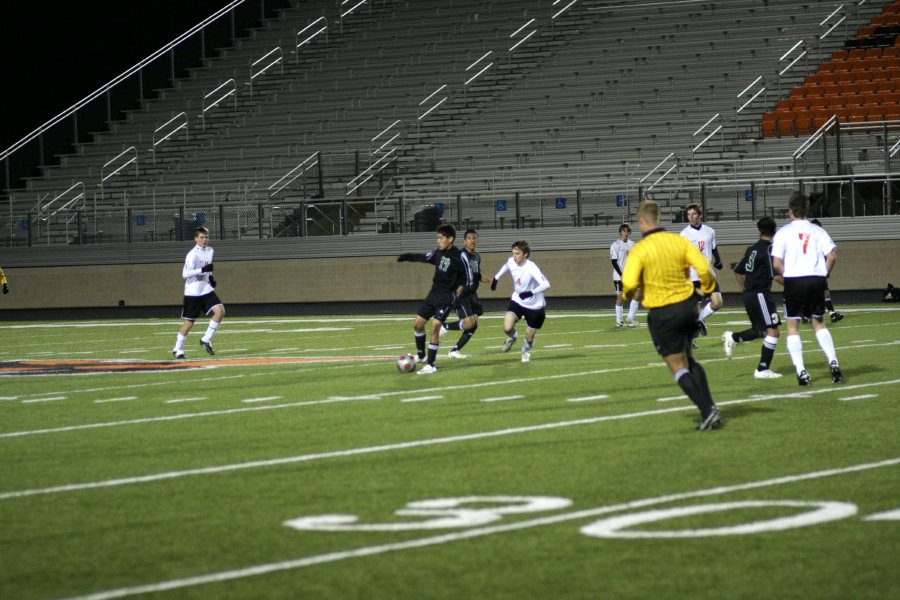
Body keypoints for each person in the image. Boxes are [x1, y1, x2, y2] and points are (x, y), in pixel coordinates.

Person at [622, 200, 722, 431]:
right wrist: (707, 288)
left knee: (678, 367)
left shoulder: (640, 249)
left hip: (663, 312)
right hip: (688, 308)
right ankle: (711, 407)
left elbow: (628, 285)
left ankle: (707, 411)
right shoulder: (679, 241)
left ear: (641, 221)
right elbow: (705, 268)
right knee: (691, 360)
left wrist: (633, 290)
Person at [771, 192, 843, 386]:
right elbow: (832, 256)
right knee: (819, 323)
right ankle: (833, 361)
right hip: (816, 279)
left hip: (794, 281)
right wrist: (824, 274)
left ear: (790, 211)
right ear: (806, 209)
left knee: (792, 328)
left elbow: (777, 264)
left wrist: (788, 276)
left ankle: (802, 372)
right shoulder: (817, 231)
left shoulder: (783, 233)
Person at [397, 224, 471, 374]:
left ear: (450, 239)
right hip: (433, 294)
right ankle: (422, 356)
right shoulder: (438, 252)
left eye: (441, 238)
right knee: (418, 324)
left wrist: (457, 296)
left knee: (435, 326)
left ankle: (431, 365)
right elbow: (424, 257)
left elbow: (467, 279)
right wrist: (407, 256)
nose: (438, 241)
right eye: (437, 238)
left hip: (447, 297)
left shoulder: (459, 256)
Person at [721, 217, 783, 379]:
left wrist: (744, 289)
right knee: (773, 331)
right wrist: (793, 286)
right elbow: (775, 275)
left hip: (750, 294)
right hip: (761, 294)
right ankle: (762, 369)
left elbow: (738, 270)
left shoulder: (752, 249)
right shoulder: (770, 250)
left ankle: (733, 337)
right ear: (774, 232)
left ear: (759, 231)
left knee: (760, 331)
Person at [490, 240, 550, 363]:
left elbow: (546, 284)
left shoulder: (531, 267)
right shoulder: (512, 261)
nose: (514, 256)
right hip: (518, 300)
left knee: (529, 338)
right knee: (507, 328)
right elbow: (506, 265)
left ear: (525, 254)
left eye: (517, 253)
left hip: (535, 306)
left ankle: (525, 352)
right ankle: (513, 337)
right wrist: (496, 278)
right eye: (513, 253)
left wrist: (530, 292)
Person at [172, 226, 224, 359]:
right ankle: (177, 349)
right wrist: (202, 270)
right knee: (190, 322)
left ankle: (206, 339)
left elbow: (209, 268)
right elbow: (185, 274)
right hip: (193, 292)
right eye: (201, 237)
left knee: (220, 311)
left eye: (206, 237)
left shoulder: (210, 250)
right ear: (196, 239)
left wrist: (210, 277)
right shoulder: (192, 254)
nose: (204, 240)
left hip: (206, 289)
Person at [439, 229, 490, 358]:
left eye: (474, 238)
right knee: (468, 323)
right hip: (461, 293)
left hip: (472, 294)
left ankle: (455, 350)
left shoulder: (477, 256)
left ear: (477, 240)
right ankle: (444, 327)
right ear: (465, 241)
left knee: (474, 324)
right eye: (469, 238)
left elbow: (477, 275)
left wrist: (490, 280)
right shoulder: (460, 256)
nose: (472, 241)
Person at [680, 203, 724, 338]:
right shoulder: (684, 234)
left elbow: (713, 248)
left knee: (717, 303)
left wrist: (718, 260)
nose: (691, 217)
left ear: (700, 215)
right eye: (688, 215)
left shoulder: (709, 231)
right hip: (693, 277)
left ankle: (700, 320)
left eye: (693, 214)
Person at [805, 219, 844, 323]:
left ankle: (829, 313)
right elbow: (831, 256)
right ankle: (812, 315)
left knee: (820, 292)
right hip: (818, 271)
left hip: (810, 271)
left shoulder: (806, 238)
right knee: (820, 292)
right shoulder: (822, 238)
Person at [610, 223, 640, 327]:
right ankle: (619, 320)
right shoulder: (615, 245)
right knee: (620, 297)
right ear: (620, 232)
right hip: (619, 276)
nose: (626, 233)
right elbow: (614, 261)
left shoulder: (633, 245)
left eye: (627, 231)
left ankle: (631, 317)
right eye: (624, 231)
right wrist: (621, 274)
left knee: (637, 293)